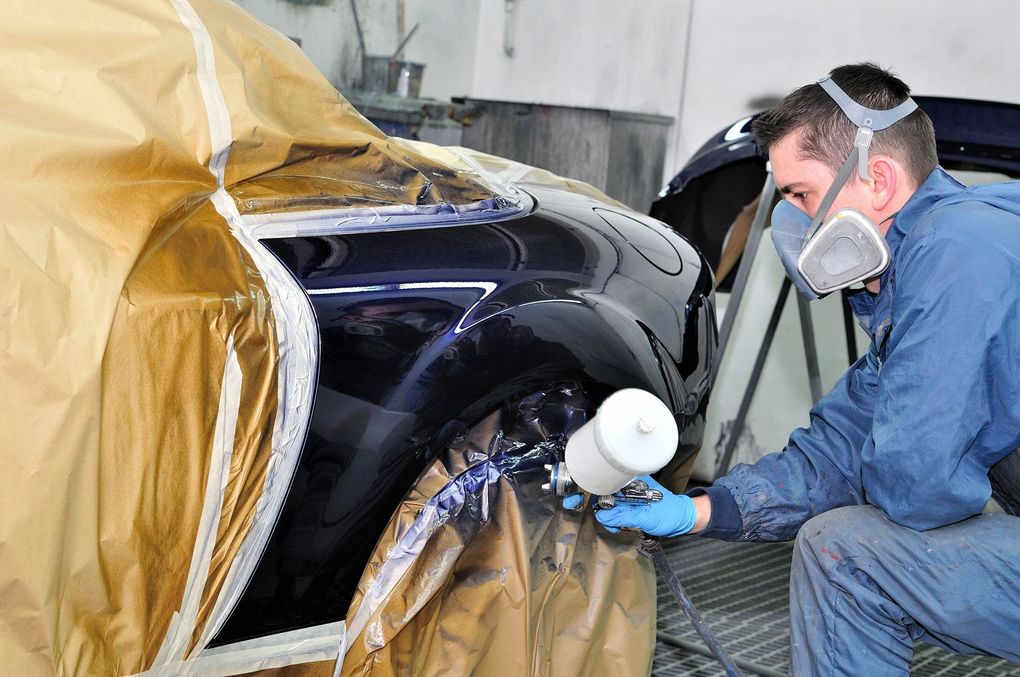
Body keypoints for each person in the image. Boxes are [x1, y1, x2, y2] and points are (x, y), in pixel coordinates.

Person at [577, 63, 1020, 673]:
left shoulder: (958, 256)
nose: (795, 224)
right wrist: (699, 511)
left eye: (801, 195)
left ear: (880, 180)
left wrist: (879, 467)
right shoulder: (945, 251)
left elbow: (917, 486)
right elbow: (839, 446)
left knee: (844, 553)